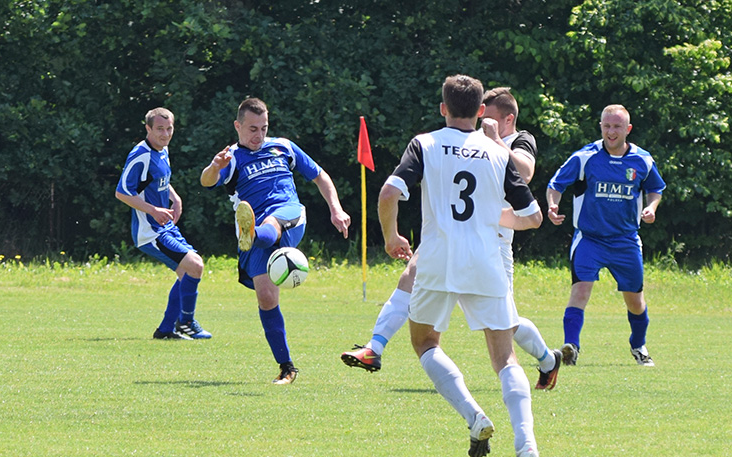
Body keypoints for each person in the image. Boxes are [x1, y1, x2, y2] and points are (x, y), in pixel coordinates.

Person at [342, 87, 562, 390]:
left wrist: (494, 139)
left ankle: (548, 359)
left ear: (507, 120)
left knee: (505, 324)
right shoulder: (463, 142)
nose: (483, 120)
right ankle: (374, 348)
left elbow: (525, 172)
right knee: (410, 276)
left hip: (492, 243)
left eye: (491, 117)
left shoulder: (517, 141)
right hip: (451, 235)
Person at [377, 75, 543, 457]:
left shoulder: (426, 143)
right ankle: (527, 445)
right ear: (481, 112)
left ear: (443, 109)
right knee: (505, 359)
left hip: (437, 261)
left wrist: (391, 236)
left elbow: (388, 193)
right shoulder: (498, 153)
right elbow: (532, 217)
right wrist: (492, 216)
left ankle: (474, 415)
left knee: (425, 343)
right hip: (486, 261)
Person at [200, 97, 351, 385]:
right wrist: (214, 166)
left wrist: (336, 209)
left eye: (263, 128)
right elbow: (206, 181)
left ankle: (253, 233)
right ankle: (287, 368)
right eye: (252, 129)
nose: (258, 135)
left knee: (269, 224)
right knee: (267, 298)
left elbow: (320, 176)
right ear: (237, 126)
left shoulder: (283, 147)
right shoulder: (231, 158)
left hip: (289, 214)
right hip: (256, 230)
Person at [546, 104, 665, 367]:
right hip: (589, 239)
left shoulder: (642, 160)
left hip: (625, 241)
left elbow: (655, 188)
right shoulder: (584, 157)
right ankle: (571, 347)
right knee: (579, 292)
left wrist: (651, 207)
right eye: (607, 126)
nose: (611, 132)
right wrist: (552, 206)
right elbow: (555, 184)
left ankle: (638, 345)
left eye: (617, 126)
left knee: (635, 302)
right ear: (601, 126)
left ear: (628, 129)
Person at [115, 108, 211, 341]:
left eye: (169, 129)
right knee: (195, 265)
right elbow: (122, 193)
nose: (165, 134)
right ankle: (185, 323)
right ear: (148, 129)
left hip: (164, 226)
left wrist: (174, 197)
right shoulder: (141, 155)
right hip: (150, 232)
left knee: (186, 274)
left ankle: (166, 330)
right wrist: (154, 210)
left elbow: (157, 180)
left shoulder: (163, 149)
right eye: (159, 129)